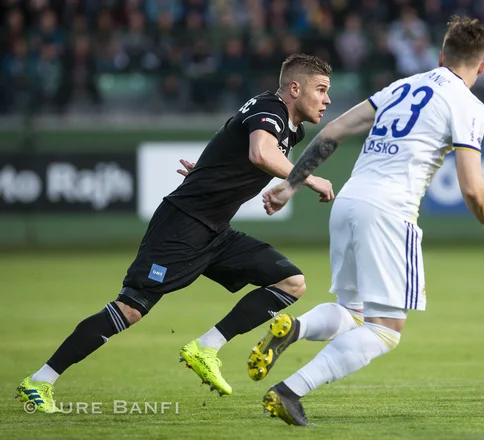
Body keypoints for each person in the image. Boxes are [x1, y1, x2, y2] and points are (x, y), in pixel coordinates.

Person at [16, 54, 334, 413]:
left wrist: (208, 170)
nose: (326, 100)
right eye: (320, 90)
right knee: (131, 308)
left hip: (215, 230)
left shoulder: (291, 126)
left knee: (291, 282)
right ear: (295, 88)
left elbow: (232, 139)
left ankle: (206, 347)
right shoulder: (271, 110)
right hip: (181, 226)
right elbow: (260, 153)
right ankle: (40, 381)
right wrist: (307, 178)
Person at [247, 16, 484, 426]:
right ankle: (289, 390)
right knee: (385, 331)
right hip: (389, 212)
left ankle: (293, 327)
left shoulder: (402, 86)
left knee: (351, 312)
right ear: (482, 66)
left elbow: (334, 130)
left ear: (440, 56)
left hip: (349, 201)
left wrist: (290, 187)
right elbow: (472, 188)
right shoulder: (468, 104)